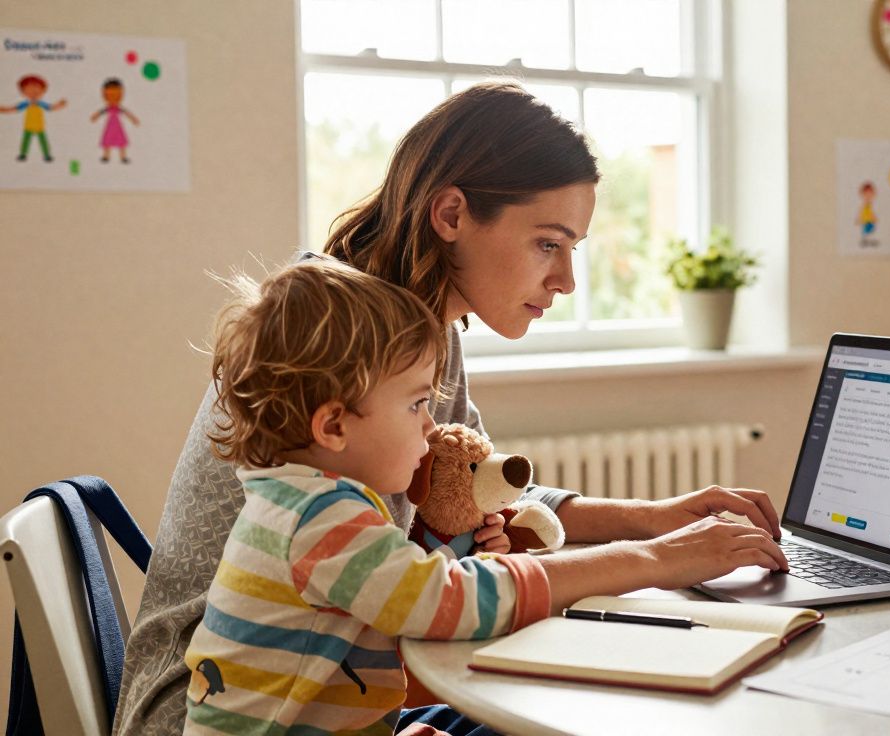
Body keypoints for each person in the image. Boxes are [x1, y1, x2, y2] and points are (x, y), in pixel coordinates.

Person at [115, 80, 788, 735]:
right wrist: (657, 557)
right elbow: (443, 595)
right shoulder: (343, 346)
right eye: (548, 243)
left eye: (572, 249)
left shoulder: (400, 327)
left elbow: (478, 492)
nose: (566, 281)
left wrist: (653, 519)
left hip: (318, 696)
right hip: (220, 712)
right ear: (452, 214)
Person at [0, 74, 68, 162]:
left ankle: (47, 155)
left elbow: (50, 107)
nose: (33, 93)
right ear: (23, 92)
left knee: (43, 141)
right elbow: (14, 108)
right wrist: (3, 109)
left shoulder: (41, 103)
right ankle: (23, 155)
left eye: (37, 91)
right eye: (28, 91)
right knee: (26, 141)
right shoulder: (25, 104)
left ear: (43, 91)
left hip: (40, 126)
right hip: (28, 126)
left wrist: (60, 105)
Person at [90, 78, 140, 164]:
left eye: (117, 95)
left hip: (117, 126)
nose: (113, 98)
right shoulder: (107, 108)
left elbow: (126, 112)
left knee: (121, 141)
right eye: (109, 95)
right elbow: (100, 112)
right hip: (110, 125)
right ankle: (106, 156)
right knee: (107, 140)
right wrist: (95, 116)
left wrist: (133, 119)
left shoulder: (118, 108)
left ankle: (123, 157)